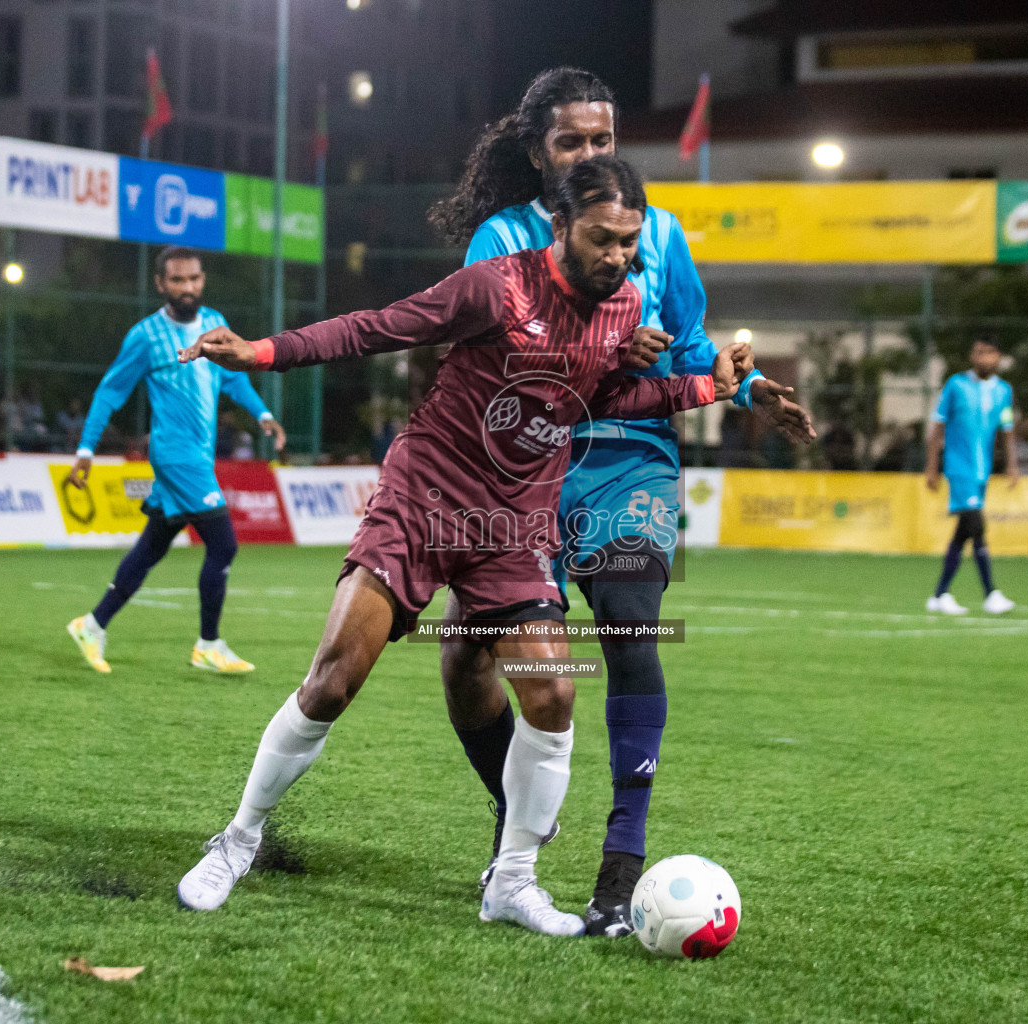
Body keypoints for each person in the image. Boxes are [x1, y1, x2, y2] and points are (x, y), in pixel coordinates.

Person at [172, 156, 748, 936]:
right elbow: (375, 327)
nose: (619, 256)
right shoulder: (498, 286)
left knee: (553, 695)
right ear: (562, 228)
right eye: (603, 239)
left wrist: (706, 385)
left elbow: (597, 401)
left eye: (630, 242)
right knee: (335, 680)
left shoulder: (630, 305)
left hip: (513, 524)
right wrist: (264, 353)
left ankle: (512, 882)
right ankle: (236, 842)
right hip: (425, 498)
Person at [425, 67, 813, 937]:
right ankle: (519, 818)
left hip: (631, 459)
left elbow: (696, 349)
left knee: (632, 631)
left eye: (602, 139)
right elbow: (500, 361)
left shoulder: (659, 230)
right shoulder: (500, 240)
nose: (591, 154)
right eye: (571, 142)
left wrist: (747, 391)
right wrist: (600, 355)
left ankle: (619, 869)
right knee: (465, 660)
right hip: (528, 466)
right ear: (537, 154)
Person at [64, 246, 286, 676]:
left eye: (195, 279)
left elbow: (232, 378)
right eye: (178, 280)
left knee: (151, 547)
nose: (188, 287)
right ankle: (208, 644)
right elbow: (110, 391)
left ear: (203, 280)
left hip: (197, 453)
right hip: (175, 455)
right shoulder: (146, 336)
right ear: (161, 284)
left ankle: (92, 625)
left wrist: (263, 415)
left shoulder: (214, 325)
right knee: (223, 543)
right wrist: (86, 450)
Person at [925, 338, 1018, 616]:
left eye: (989, 353)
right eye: (979, 352)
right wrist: (932, 467)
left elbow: (1007, 429)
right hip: (958, 467)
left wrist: (1012, 465)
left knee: (964, 532)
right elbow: (938, 426)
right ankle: (991, 593)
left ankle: (940, 594)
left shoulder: (1003, 391)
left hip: (982, 470)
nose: (984, 358)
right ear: (972, 356)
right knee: (976, 525)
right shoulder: (956, 385)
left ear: (998, 357)